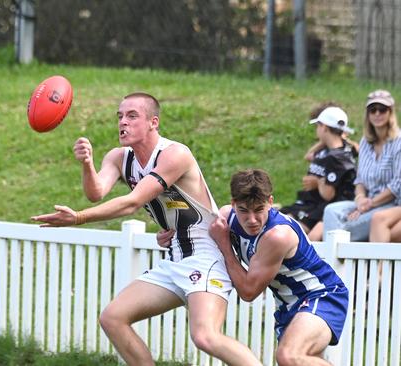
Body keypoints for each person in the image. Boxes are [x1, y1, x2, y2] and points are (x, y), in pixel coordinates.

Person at [32, 93, 260, 365]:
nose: (122, 123)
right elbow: (96, 192)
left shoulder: (175, 154)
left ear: (153, 122)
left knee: (205, 336)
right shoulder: (119, 157)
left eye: (131, 116)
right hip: (176, 254)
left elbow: (132, 202)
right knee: (112, 318)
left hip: (207, 253)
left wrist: (78, 218)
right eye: (119, 116)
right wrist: (87, 164)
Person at [208, 169, 348, 366]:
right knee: (296, 360)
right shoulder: (226, 217)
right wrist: (170, 236)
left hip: (321, 295)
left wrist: (224, 245)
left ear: (270, 202)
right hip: (286, 305)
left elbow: (248, 292)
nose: (252, 220)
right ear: (233, 204)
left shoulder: (277, 236)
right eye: (243, 211)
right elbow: (194, 234)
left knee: (288, 355)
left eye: (258, 209)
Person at [322, 90, 401, 241]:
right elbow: (360, 180)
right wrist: (360, 199)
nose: (377, 113)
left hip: (391, 204)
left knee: (347, 227)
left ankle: (334, 259)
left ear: (390, 112)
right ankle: (332, 259)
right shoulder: (365, 142)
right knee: (331, 211)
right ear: (368, 114)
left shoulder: (398, 142)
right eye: (373, 110)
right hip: (366, 200)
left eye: (382, 109)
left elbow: (397, 186)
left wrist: (369, 204)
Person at [280, 106, 357, 241]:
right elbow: (309, 156)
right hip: (309, 203)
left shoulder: (336, 158)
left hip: (324, 207)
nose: (317, 129)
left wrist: (317, 181)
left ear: (325, 127)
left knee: (288, 233)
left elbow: (328, 195)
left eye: (318, 126)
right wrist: (325, 139)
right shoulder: (327, 151)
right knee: (279, 222)